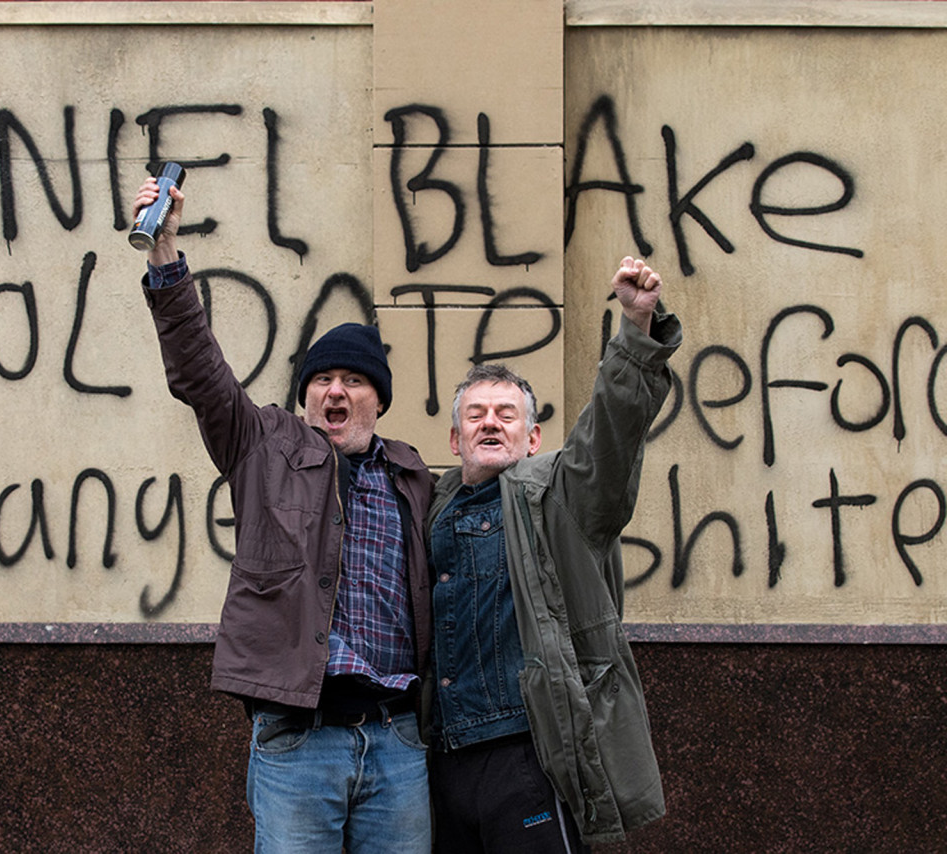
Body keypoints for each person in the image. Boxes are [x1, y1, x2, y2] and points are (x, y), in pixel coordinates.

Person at [133, 175, 435, 853]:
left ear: (377, 399)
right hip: (300, 740)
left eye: (352, 380)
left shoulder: (414, 476)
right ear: (306, 397)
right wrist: (165, 252)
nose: (335, 391)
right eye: (322, 380)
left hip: (398, 740)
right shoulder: (262, 445)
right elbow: (199, 373)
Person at [425, 257, 681, 852]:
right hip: (443, 760)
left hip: (530, 756)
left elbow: (609, 434)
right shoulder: (430, 508)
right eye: (475, 415)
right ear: (456, 439)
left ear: (532, 437)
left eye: (506, 414)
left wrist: (635, 330)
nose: (490, 423)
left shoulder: (562, 496)